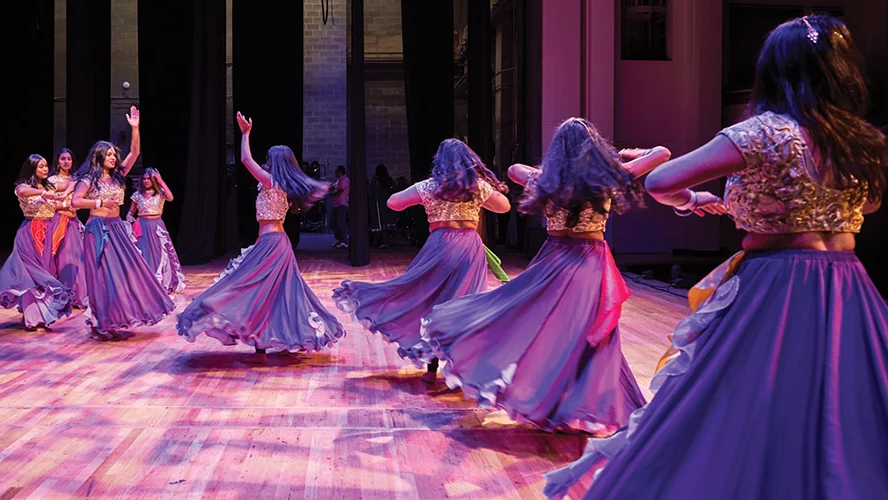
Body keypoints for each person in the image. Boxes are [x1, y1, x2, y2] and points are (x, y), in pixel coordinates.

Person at [544, 15, 888, 499]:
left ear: (774, 71)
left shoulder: (762, 132)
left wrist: (697, 201)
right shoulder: (862, 140)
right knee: (846, 403)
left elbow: (663, 181)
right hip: (848, 285)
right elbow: (868, 205)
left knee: (738, 400)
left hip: (780, 285)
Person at [419, 118, 671, 435]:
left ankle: (556, 402)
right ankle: (580, 405)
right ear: (593, 150)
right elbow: (662, 153)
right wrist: (624, 154)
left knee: (539, 327)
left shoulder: (543, 180)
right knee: (589, 335)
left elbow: (514, 170)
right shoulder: (606, 178)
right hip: (586, 263)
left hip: (552, 259)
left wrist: (552, 167)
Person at [333, 138, 511, 383]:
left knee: (430, 302)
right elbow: (504, 206)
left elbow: (392, 202)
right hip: (469, 248)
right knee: (466, 304)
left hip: (440, 246)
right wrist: (480, 190)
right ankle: (466, 368)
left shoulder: (430, 186)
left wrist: (425, 197)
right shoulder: (475, 186)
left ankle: (432, 369)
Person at [177, 112, 345, 363]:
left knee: (255, 291)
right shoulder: (284, 185)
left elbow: (245, 159)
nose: (265, 161)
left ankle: (264, 347)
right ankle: (282, 341)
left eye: (268, 159)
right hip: (275, 243)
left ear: (274, 162)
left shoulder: (272, 182)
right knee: (280, 295)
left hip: (272, 245)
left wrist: (246, 134)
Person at [70, 106, 176, 341]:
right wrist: (99, 200)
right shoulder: (89, 178)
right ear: (98, 157)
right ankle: (100, 323)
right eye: (108, 155)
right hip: (98, 230)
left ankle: (115, 317)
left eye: (114, 155)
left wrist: (135, 129)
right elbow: (76, 201)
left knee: (124, 273)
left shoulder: (118, 175)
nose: (113, 157)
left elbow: (135, 152)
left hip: (117, 227)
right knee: (102, 276)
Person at [0, 154, 74, 330]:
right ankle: (33, 319)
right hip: (31, 231)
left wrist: (64, 193)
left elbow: (73, 183)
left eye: (45, 166)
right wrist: (42, 193)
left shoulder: (50, 185)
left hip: (48, 231)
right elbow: (22, 192)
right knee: (32, 275)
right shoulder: (24, 186)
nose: (45, 169)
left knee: (46, 271)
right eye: (41, 166)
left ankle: (43, 315)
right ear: (32, 168)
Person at [127, 167, 186, 294]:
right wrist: (129, 217)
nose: (146, 181)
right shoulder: (137, 195)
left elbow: (170, 198)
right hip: (142, 226)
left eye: (149, 178)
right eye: (144, 178)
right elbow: (131, 212)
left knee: (161, 254)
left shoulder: (160, 193)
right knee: (143, 254)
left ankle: (161, 282)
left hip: (157, 226)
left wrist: (161, 181)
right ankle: (145, 283)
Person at [46, 147, 87, 309]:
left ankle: (75, 295)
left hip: (73, 223)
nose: (66, 161)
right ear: (57, 161)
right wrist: (64, 205)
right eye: (63, 158)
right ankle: (58, 295)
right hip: (57, 221)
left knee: (75, 260)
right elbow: (49, 204)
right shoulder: (52, 181)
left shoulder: (77, 180)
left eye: (69, 159)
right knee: (60, 259)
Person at [330, 165, 350, 248]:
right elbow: (332, 187)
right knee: (333, 222)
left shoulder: (345, 180)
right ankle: (338, 239)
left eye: (336, 171)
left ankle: (344, 241)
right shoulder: (339, 180)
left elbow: (339, 191)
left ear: (340, 172)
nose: (335, 173)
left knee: (341, 223)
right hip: (336, 204)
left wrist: (332, 193)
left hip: (342, 204)